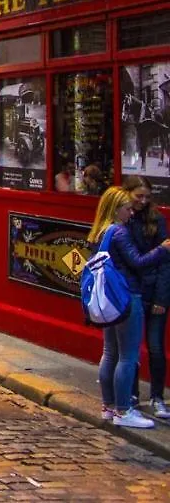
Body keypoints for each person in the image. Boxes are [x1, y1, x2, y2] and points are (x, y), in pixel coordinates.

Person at [88, 185, 170, 427]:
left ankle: (109, 406)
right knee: (128, 356)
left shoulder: (100, 231)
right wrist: (162, 250)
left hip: (109, 299)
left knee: (110, 352)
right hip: (127, 296)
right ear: (116, 209)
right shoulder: (119, 232)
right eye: (126, 208)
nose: (130, 213)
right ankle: (124, 411)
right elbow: (138, 262)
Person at [124, 175, 170, 417]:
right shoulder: (123, 220)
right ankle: (131, 395)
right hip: (133, 292)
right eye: (138, 196)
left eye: (147, 197)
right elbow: (129, 260)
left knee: (155, 347)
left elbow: (165, 262)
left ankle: (157, 397)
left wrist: (162, 299)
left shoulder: (157, 219)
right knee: (131, 347)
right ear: (127, 193)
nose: (143, 201)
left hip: (154, 291)